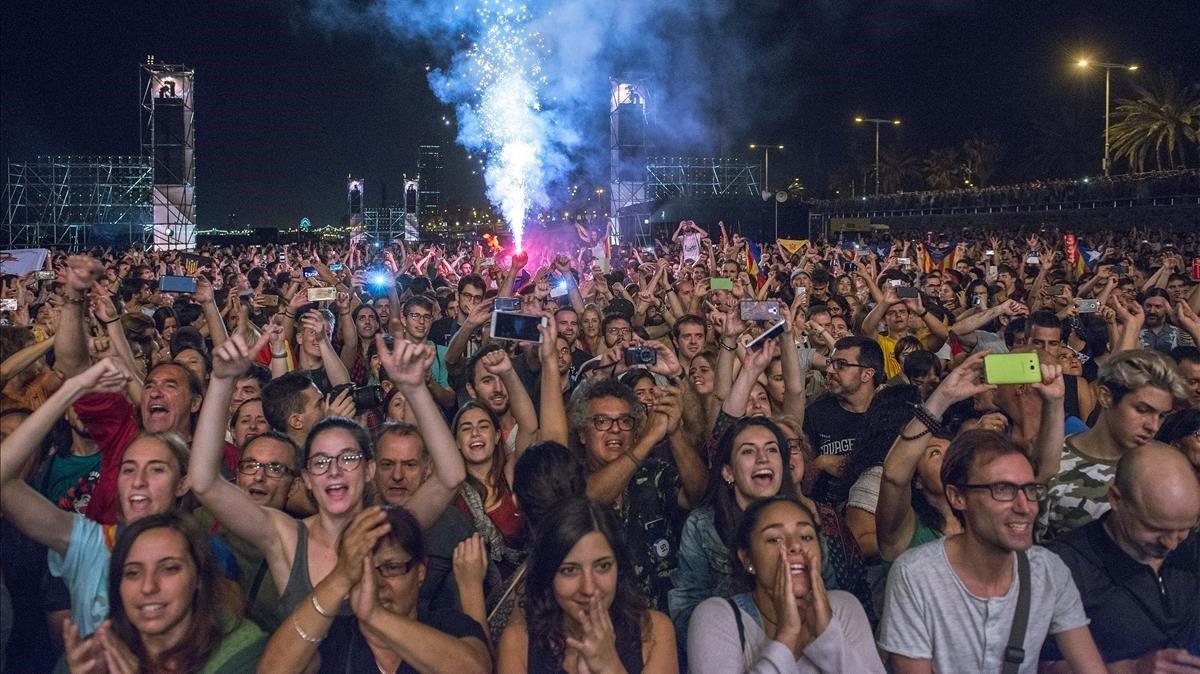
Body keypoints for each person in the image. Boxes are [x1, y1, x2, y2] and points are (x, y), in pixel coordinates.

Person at [189, 335, 466, 616]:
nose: (334, 471)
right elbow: (204, 483)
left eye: (347, 458)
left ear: (369, 469)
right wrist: (222, 382)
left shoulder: (388, 530)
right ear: (306, 477)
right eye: (321, 462)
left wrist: (415, 389)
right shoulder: (285, 536)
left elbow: (450, 476)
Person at [877, 430, 1105, 673]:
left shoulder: (1048, 570)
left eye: (1029, 489)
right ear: (957, 497)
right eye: (1003, 489)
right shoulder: (916, 575)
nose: (1025, 507)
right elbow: (893, 476)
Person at [258, 506, 490, 673]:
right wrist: (340, 578)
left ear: (421, 571)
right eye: (363, 570)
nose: (376, 583)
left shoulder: (449, 625)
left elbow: (475, 669)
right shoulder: (334, 638)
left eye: (391, 568)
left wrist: (374, 616)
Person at [1040, 443, 1200, 670]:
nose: (1172, 543)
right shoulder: (1062, 566)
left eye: (1183, 529)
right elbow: (1038, 665)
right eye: (1156, 528)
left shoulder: (1191, 550)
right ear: (1116, 499)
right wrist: (1130, 668)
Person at [686, 496, 882, 674]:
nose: (795, 546)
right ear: (747, 559)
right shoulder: (717, 616)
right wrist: (786, 636)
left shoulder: (844, 607)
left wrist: (828, 634)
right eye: (774, 539)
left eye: (806, 536)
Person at [62, 512, 266, 673]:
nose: (148, 587)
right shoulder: (91, 656)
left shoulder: (242, 654)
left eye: (169, 569)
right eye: (133, 573)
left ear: (199, 578)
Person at [496, 497, 678, 673]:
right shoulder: (518, 643)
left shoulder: (654, 631)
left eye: (603, 566)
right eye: (569, 570)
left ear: (619, 568)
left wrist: (609, 666)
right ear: (548, 574)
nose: (589, 589)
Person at [669, 417, 798, 647]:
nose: (763, 458)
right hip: (726, 645)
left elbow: (827, 596)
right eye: (748, 452)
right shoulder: (702, 526)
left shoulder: (802, 521)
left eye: (772, 449)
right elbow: (687, 609)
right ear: (728, 473)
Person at [1039, 349, 1186, 540]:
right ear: (1105, 396)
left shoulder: (1168, 467)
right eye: (1142, 410)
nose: (1153, 426)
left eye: (1162, 416)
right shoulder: (1053, 463)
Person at [802, 336, 884, 504]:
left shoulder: (888, 414)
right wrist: (820, 463)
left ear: (867, 374)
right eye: (830, 363)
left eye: (841, 365)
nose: (830, 370)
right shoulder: (816, 413)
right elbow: (801, 480)